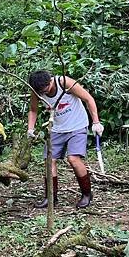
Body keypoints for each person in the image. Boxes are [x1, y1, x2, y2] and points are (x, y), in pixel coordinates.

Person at [27, 70, 104, 209]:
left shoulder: (63, 82)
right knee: (50, 161)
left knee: (73, 159)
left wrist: (96, 122)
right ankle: (51, 198)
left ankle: (86, 194)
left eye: (46, 89)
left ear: (50, 81)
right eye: (41, 92)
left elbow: (88, 99)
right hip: (57, 128)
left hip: (77, 125)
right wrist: (30, 129)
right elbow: (33, 110)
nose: (44, 93)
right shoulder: (37, 90)